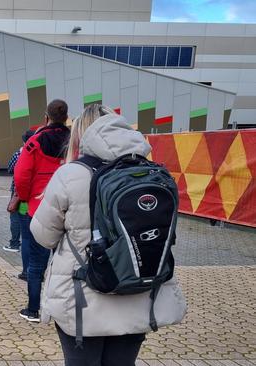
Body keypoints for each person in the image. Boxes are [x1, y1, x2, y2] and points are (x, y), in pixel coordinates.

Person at [30, 106, 186, 365]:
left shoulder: (71, 175)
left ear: (80, 135)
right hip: (137, 294)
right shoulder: (152, 172)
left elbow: (43, 236)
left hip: (84, 299)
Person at [15, 99, 71, 323]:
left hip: (39, 209)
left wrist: (27, 197)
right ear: (66, 117)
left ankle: (33, 310)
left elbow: (21, 175)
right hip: (70, 208)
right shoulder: (75, 141)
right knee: (67, 261)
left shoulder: (35, 141)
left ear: (46, 117)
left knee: (36, 263)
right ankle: (62, 311)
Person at [2, 130, 34, 255]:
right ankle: (29, 241)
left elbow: (10, 169)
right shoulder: (38, 154)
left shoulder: (18, 155)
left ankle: (15, 243)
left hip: (18, 193)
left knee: (15, 217)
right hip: (31, 193)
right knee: (26, 216)